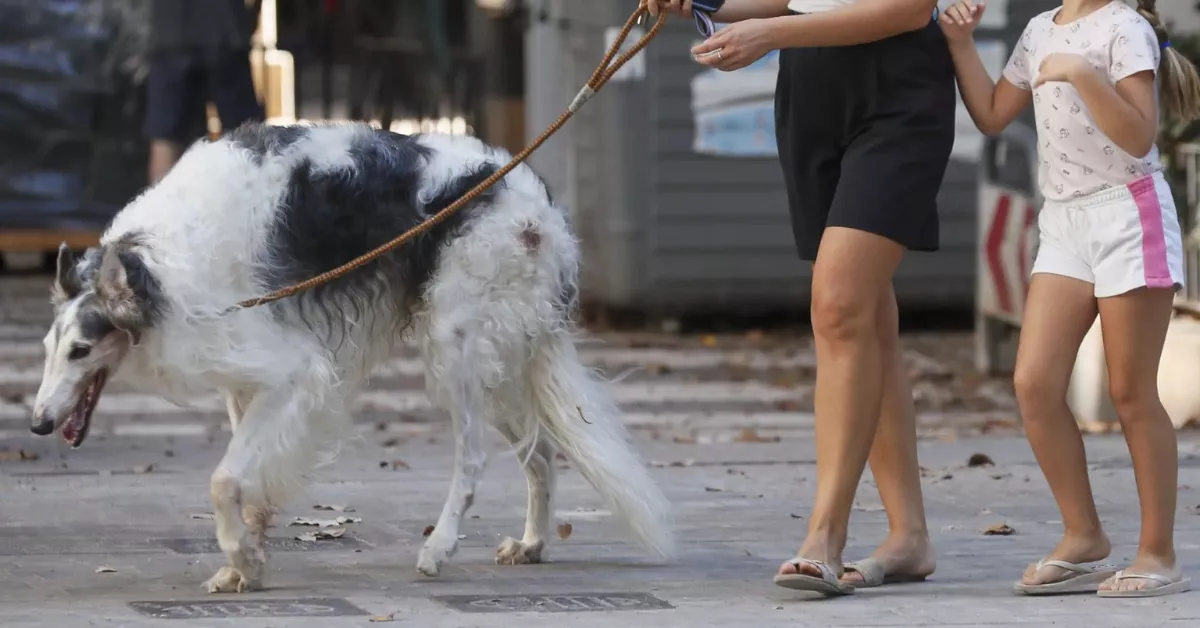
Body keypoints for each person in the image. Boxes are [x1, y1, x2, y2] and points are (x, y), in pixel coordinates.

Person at [645, 0, 954, 596]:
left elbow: (912, 9)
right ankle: (909, 535)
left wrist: (770, 33)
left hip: (898, 90)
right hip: (811, 91)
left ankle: (824, 536)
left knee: (838, 306)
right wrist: (707, 2)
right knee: (865, 316)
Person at [941, 0, 1197, 597]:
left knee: (1131, 391)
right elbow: (991, 114)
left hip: (1128, 211)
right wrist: (960, 43)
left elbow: (1138, 135)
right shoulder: (1038, 29)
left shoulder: (1124, 27)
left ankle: (1158, 554)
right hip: (1064, 221)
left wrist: (1082, 74)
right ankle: (1084, 536)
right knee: (1033, 384)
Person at [143, 0, 265, 184]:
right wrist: (251, 16)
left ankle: (163, 209)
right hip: (225, 26)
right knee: (242, 136)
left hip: (170, 28)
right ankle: (250, 207)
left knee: (166, 136)